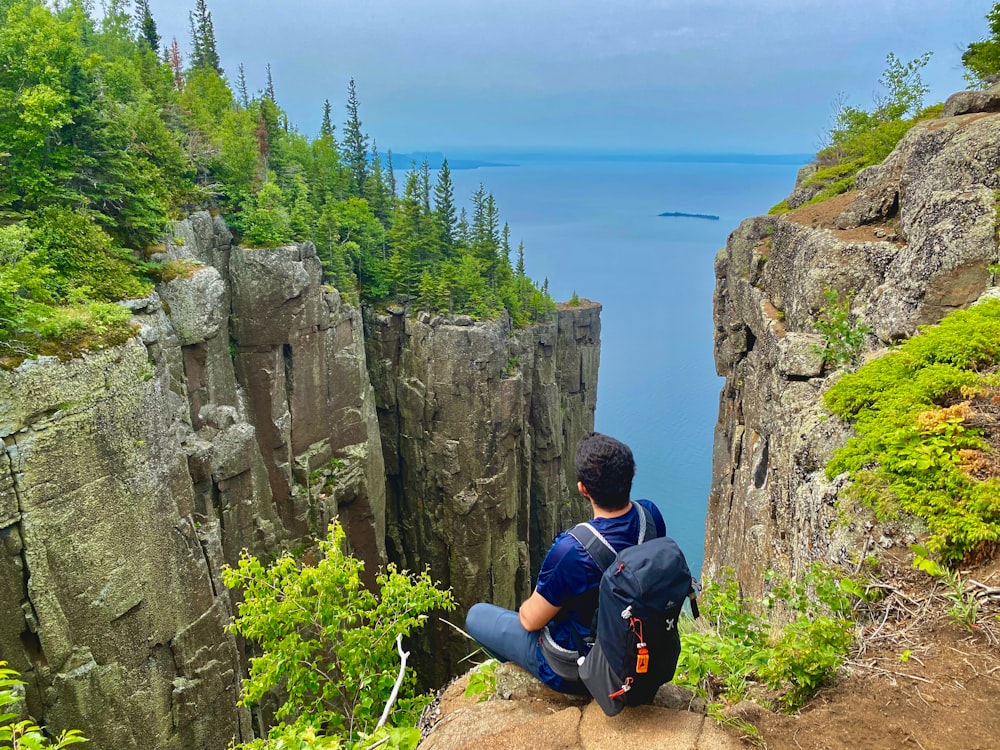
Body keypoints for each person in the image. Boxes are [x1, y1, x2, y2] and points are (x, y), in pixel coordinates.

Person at [465, 432, 666, 693]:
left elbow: (530, 621)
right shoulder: (649, 515)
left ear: (583, 489)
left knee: (476, 616)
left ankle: (535, 679)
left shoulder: (573, 549)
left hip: (579, 668)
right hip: (639, 652)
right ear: (632, 475)